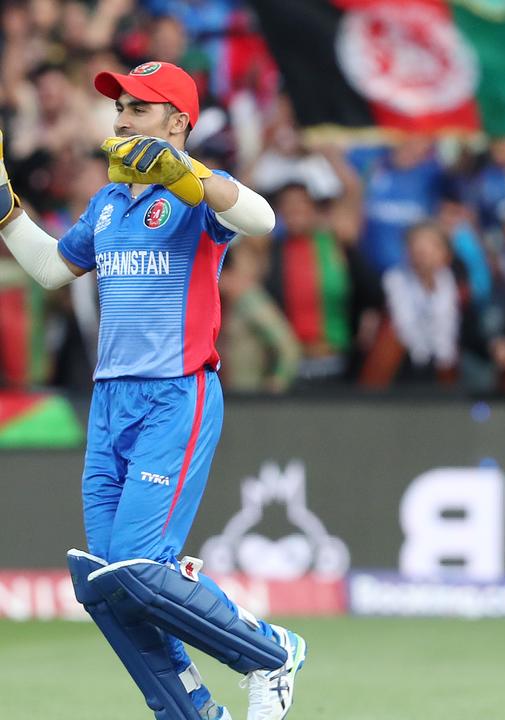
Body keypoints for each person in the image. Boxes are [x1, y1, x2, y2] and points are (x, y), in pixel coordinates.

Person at [0, 61, 306, 720]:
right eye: (117, 108)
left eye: (136, 108)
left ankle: (272, 652)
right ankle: (192, 713)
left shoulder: (199, 197)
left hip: (176, 394)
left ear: (176, 122)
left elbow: (261, 220)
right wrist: (5, 214)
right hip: (111, 403)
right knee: (105, 584)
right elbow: (54, 269)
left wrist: (187, 175)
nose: (119, 120)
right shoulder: (110, 204)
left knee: (138, 565)